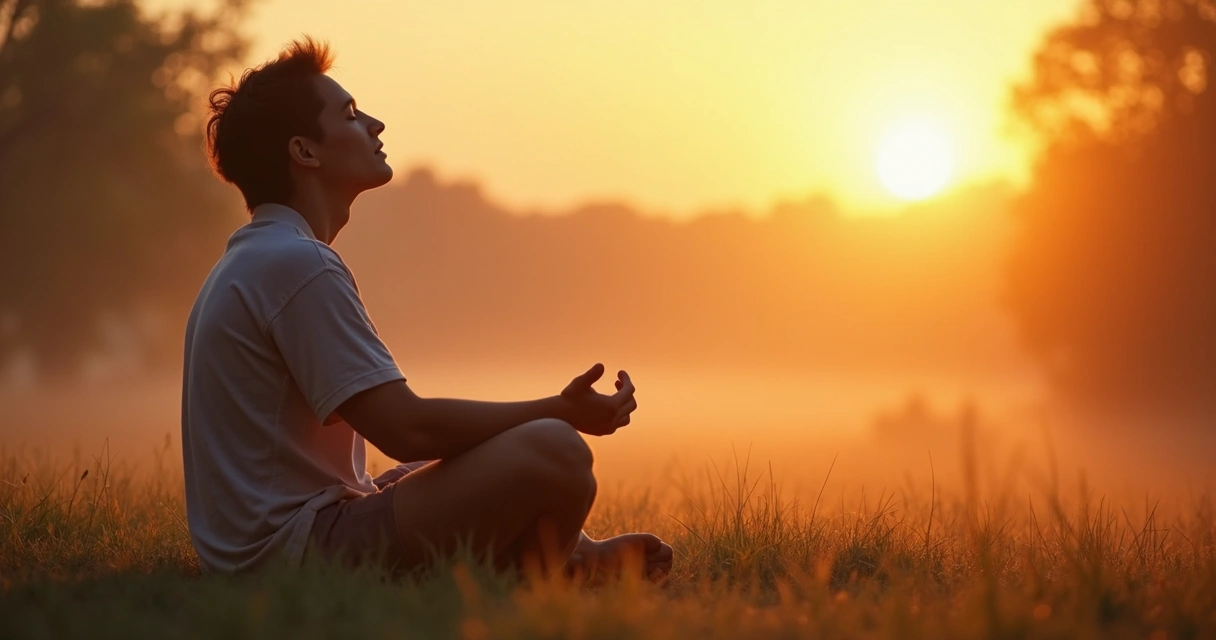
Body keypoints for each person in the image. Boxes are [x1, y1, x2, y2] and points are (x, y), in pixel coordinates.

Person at [182, 37, 673, 580]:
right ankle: (542, 581)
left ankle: (577, 556)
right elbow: (407, 428)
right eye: (349, 115)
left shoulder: (258, 256)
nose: (376, 125)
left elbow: (409, 441)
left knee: (471, 458)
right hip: (291, 555)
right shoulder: (298, 265)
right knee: (553, 448)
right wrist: (560, 409)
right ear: (305, 152)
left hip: (274, 541)